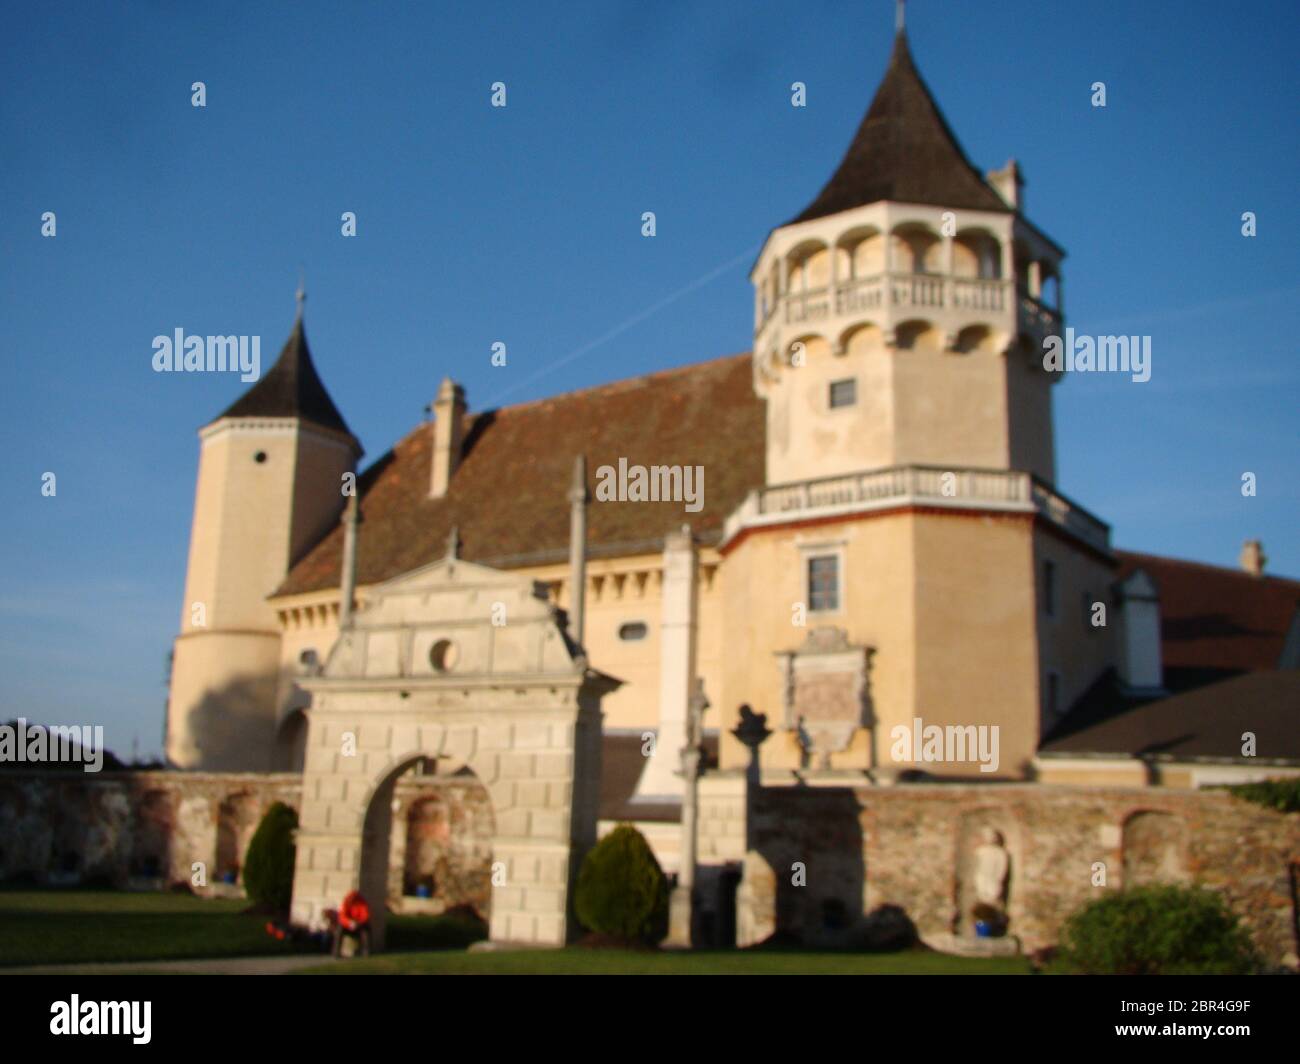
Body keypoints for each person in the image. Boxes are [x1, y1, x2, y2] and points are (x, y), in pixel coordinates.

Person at [331, 889, 372, 957]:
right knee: (339, 930)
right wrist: (349, 923)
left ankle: (365, 951)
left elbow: (366, 916)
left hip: (359, 925)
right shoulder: (346, 902)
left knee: (366, 930)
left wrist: (358, 923)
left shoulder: (362, 903)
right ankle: (336, 951)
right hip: (348, 925)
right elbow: (342, 917)